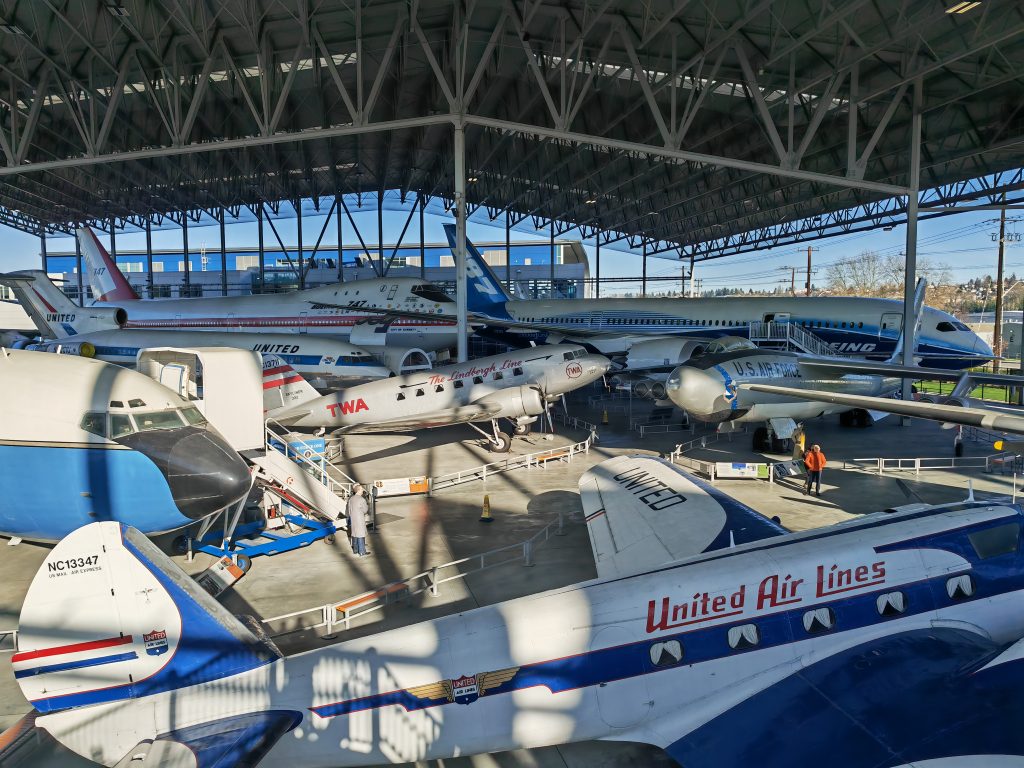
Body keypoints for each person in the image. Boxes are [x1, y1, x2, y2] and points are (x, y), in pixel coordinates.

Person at [347, 484, 371, 557]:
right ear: (358, 490)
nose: (362, 490)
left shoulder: (351, 499)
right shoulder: (362, 499)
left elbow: (349, 509)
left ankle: (355, 550)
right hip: (359, 518)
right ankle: (362, 551)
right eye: (361, 489)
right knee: (360, 534)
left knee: (354, 533)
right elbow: (365, 510)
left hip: (353, 518)